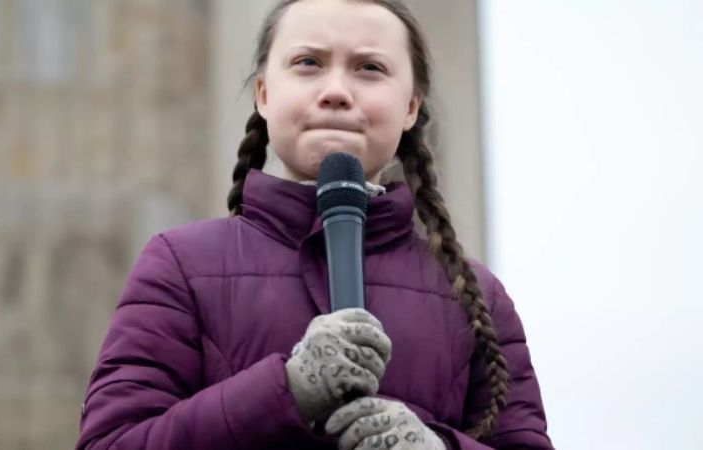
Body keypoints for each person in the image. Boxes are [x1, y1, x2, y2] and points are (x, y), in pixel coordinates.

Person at [75, 0, 553, 448]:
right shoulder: (180, 264)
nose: (336, 92)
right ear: (263, 93)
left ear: (411, 106)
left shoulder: (475, 297)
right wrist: (285, 389)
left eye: (370, 68)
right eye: (308, 63)